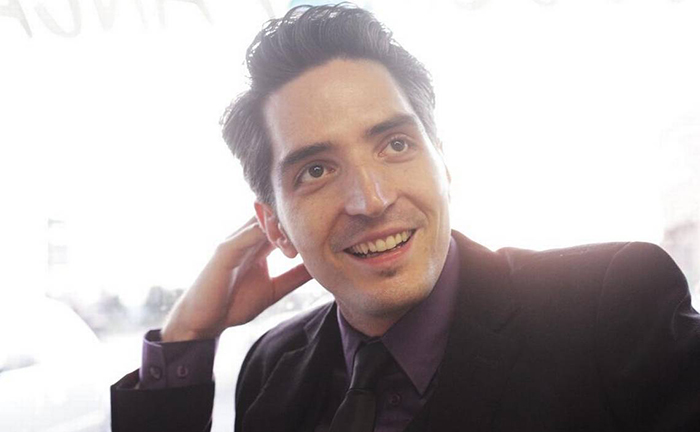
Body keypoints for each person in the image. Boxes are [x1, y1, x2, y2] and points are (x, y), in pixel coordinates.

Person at [111, 4, 700, 432]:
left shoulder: (609, 308)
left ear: (443, 164)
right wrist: (186, 339)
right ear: (275, 227)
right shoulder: (271, 366)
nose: (370, 200)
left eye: (394, 145)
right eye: (316, 170)